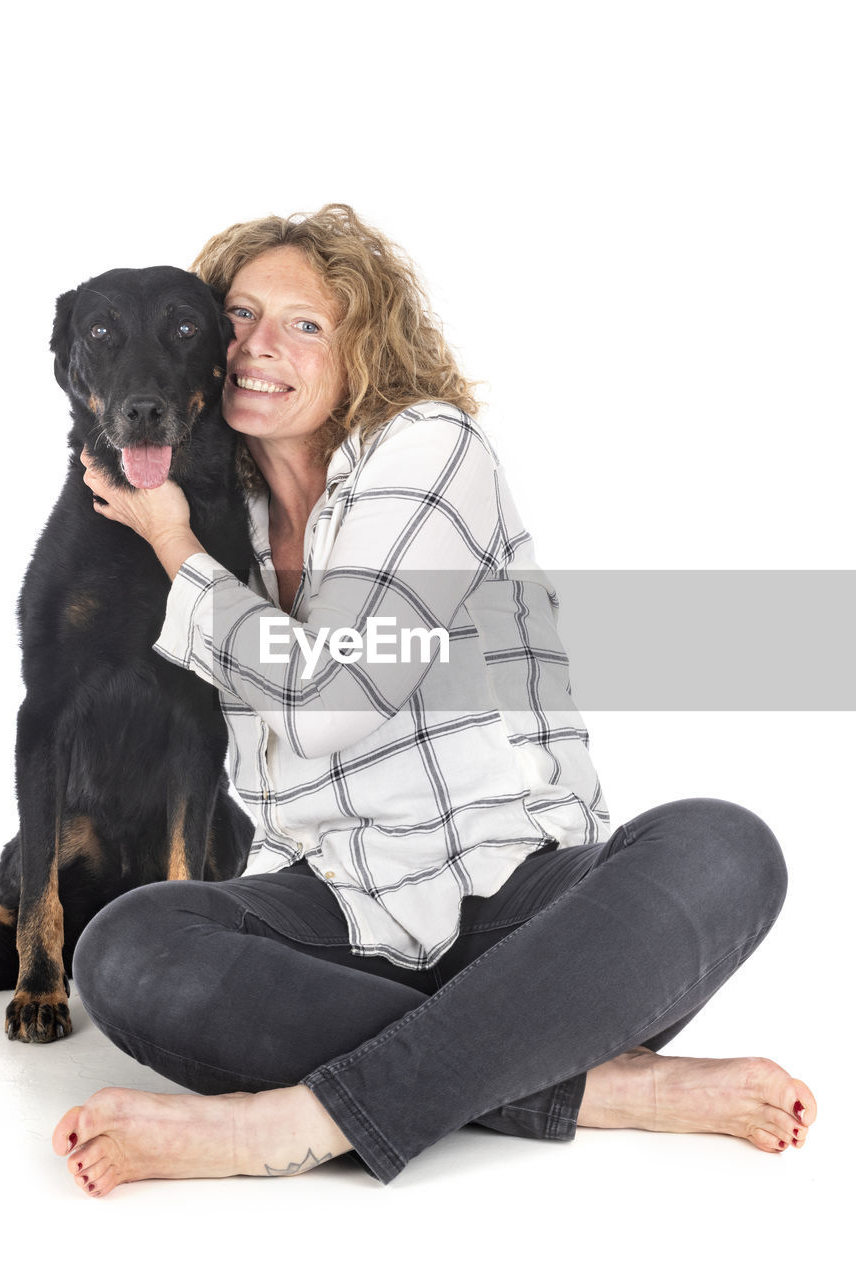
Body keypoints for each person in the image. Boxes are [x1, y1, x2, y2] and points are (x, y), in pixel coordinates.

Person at [53, 204, 815, 1195]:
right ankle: (594, 1086)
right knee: (127, 948)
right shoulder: (216, 500)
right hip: (333, 915)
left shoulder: (426, 452)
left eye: (304, 324)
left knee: (725, 844)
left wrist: (175, 554)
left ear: (364, 348)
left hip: (522, 910)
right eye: (239, 314)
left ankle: (295, 1119)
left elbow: (333, 702)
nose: (258, 345)